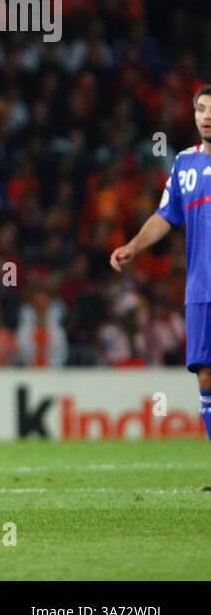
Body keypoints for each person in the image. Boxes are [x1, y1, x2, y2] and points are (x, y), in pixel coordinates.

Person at [112, 83, 211, 448]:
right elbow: (165, 216)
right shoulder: (185, 163)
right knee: (205, 377)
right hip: (201, 289)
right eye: (202, 109)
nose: (208, 116)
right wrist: (133, 246)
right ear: (194, 114)